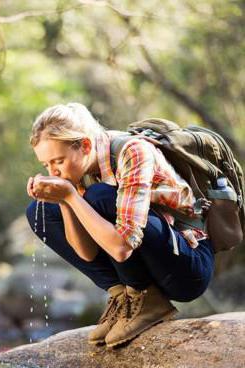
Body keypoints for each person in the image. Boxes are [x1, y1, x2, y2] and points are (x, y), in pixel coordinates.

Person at [25, 103, 214, 347]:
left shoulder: (133, 151)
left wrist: (72, 196)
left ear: (84, 145)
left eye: (58, 161)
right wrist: (63, 200)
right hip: (148, 257)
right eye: (46, 165)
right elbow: (87, 253)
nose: (53, 171)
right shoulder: (81, 170)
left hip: (187, 266)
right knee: (39, 212)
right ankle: (122, 298)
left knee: (99, 197)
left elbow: (121, 248)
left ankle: (144, 297)